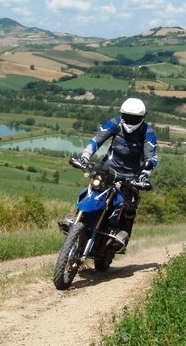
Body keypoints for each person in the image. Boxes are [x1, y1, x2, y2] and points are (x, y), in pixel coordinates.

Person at [60, 97, 158, 248]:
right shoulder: (114, 123)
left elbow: (151, 156)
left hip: (131, 177)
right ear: (121, 114)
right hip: (107, 170)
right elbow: (96, 141)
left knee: (128, 207)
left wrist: (145, 174)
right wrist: (85, 157)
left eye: (135, 118)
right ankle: (77, 219)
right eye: (127, 117)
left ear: (142, 118)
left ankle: (120, 237)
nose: (130, 121)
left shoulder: (147, 132)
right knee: (91, 191)